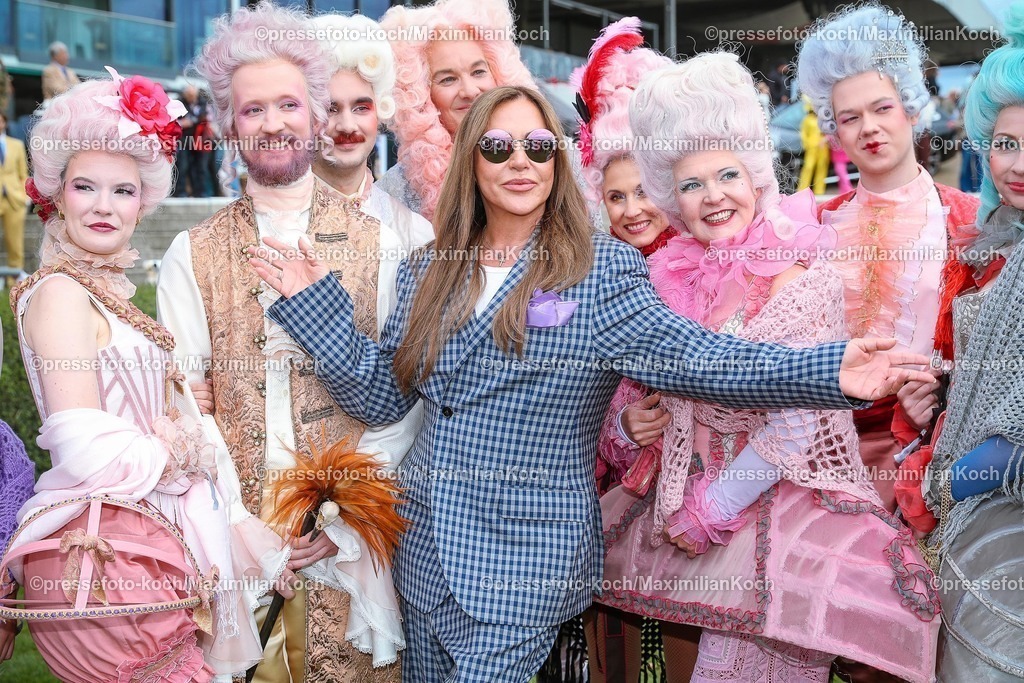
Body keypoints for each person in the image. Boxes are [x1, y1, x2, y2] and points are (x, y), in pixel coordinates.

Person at [251, 84, 935, 682]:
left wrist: (829, 370)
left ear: (556, 161)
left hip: (527, 556)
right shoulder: (429, 269)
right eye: (498, 147)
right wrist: (318, 307)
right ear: (472, 161)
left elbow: (704, 362)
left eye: (537, 146)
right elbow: (381, 396)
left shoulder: (601, 272)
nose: (519, 161)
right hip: (425, 551)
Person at [596, 51, 940, 683]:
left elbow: (796, 423)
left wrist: (712, 504)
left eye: (726, 175)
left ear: (755, 179)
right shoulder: (673, 280)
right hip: (690, 526)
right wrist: (629, 427)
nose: (713, 197)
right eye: (692, 186)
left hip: (779, 519)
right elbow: (632, 399)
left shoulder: (800, 276)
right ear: (675, 199)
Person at [1, 71, 286, 681]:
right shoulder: (59, 293)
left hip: (153, 542)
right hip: (108, 563)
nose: (105, 206)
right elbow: (82, 444)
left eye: (123, 191)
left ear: (143, 200)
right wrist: (176, 446)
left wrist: (178, 403)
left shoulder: (104, 295)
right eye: (86, 187)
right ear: (58, 194)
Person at [157, 4, 413, 680]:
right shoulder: (192, 252)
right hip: (231, 534)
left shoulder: (382, 242)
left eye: (288, 104)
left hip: (349, 538)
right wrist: (244, 528)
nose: (272, 123)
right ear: (225, 124)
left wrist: (349, 515)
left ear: (316, 114)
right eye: (251, 111)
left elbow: (405, 392)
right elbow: (184, 403)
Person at [796, 3, 989, 514]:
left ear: (910, 106)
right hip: (810, 450)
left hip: (923, 453)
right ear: (834, 130)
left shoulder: (969, 222)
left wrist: (936, 405)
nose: (869, 129)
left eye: (882, 108)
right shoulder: (809, 225)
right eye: (850, 117)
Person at [897, 7, 1024, 679]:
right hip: (974, 537)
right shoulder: (999, 245)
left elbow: (1016, 432)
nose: (1017, 164)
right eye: (1005, 143)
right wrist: (938, 395)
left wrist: (943, 481)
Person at [569, 18, 696, 681]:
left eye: (642, 191)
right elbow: (574, 389)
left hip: (698, 503)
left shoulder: (705, 264)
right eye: (614, 195)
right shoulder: (594, 273)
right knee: (613, 648)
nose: (629, 208)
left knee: (688, 639)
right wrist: (623, 427)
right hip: (617, 497)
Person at [375, 0, 536, 219]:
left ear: (500, 75)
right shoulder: (395, 192)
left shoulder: (550, 156)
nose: (470, 91)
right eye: (448, 79)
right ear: (422, 96)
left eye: (478, 72)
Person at [311, 13, 433, 250]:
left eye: (361, 108)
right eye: (330, 109)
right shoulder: (271, 225)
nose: (347, 125)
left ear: (380, 110)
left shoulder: (415, 234)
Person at [0, 111, 27, 281]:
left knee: (15, 243)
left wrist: (25, 197)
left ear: (5, 123)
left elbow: (23, 173)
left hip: (14, 199)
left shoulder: (16, 144)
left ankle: (14, 283)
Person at [174, 84, 212, 198]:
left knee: (201, 166)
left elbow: (207, 117)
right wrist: (182, 123)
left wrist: (194, 120)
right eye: (188, 95)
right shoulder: (178, 103)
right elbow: (173, 121)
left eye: (192, 95)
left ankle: (200, 191)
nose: (191, 97)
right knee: (183, 165)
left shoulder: (203, 102)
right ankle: (180, 192)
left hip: (200, 138)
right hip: (183, 138)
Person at [797, 96, 830, 195]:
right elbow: (803, 134)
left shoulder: (824, 119)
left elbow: (828, 132)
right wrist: (807, 144)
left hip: (823, 147)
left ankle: (819, 191)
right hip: (812, 147)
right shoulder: (807, 120)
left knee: (822, 168)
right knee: (808, 167)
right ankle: (802, 190)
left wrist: (825, 140)